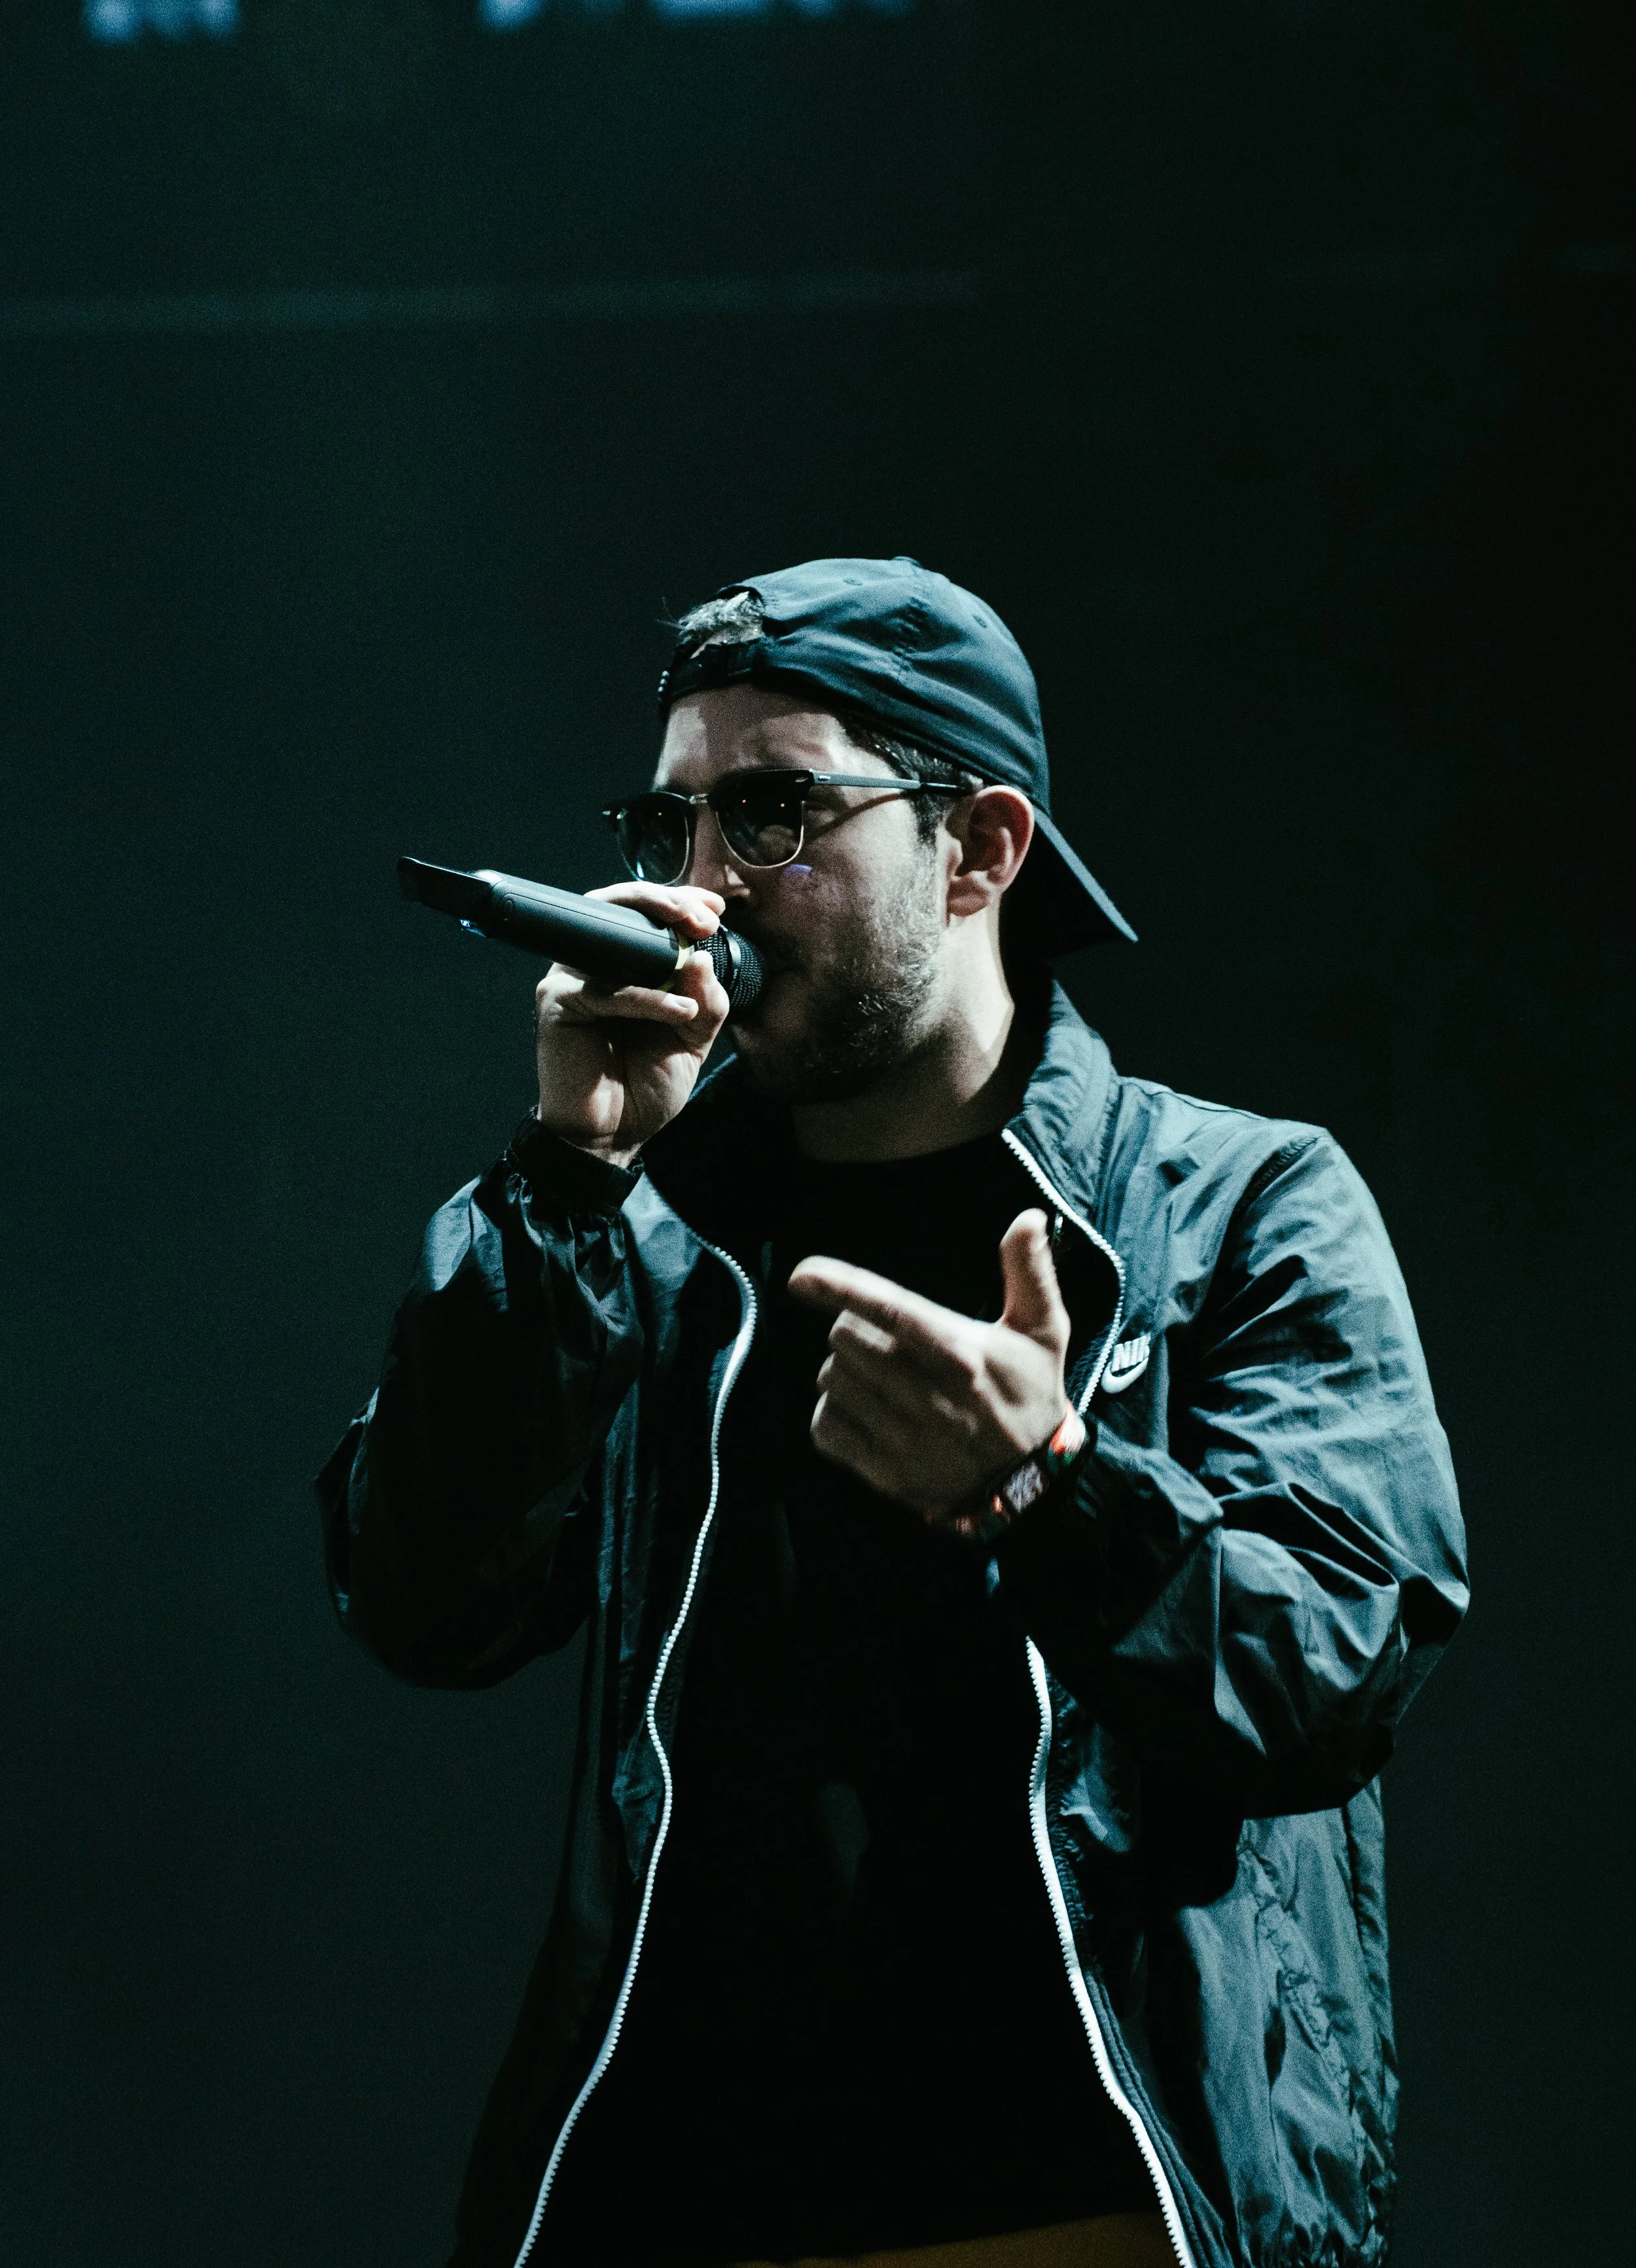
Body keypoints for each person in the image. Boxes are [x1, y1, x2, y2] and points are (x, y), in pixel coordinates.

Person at [318, 557, 1467, 2268]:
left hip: (1084, 2197)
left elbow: (1329, 1674)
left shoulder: (1234, 1207)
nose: (699, 889)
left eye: (773, 814)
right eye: (671, 826)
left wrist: (1047, 1495)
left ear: (980, 848)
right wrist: (567, 1176)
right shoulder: (647, 1232)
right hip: (682, 2201)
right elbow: (427, 1601)